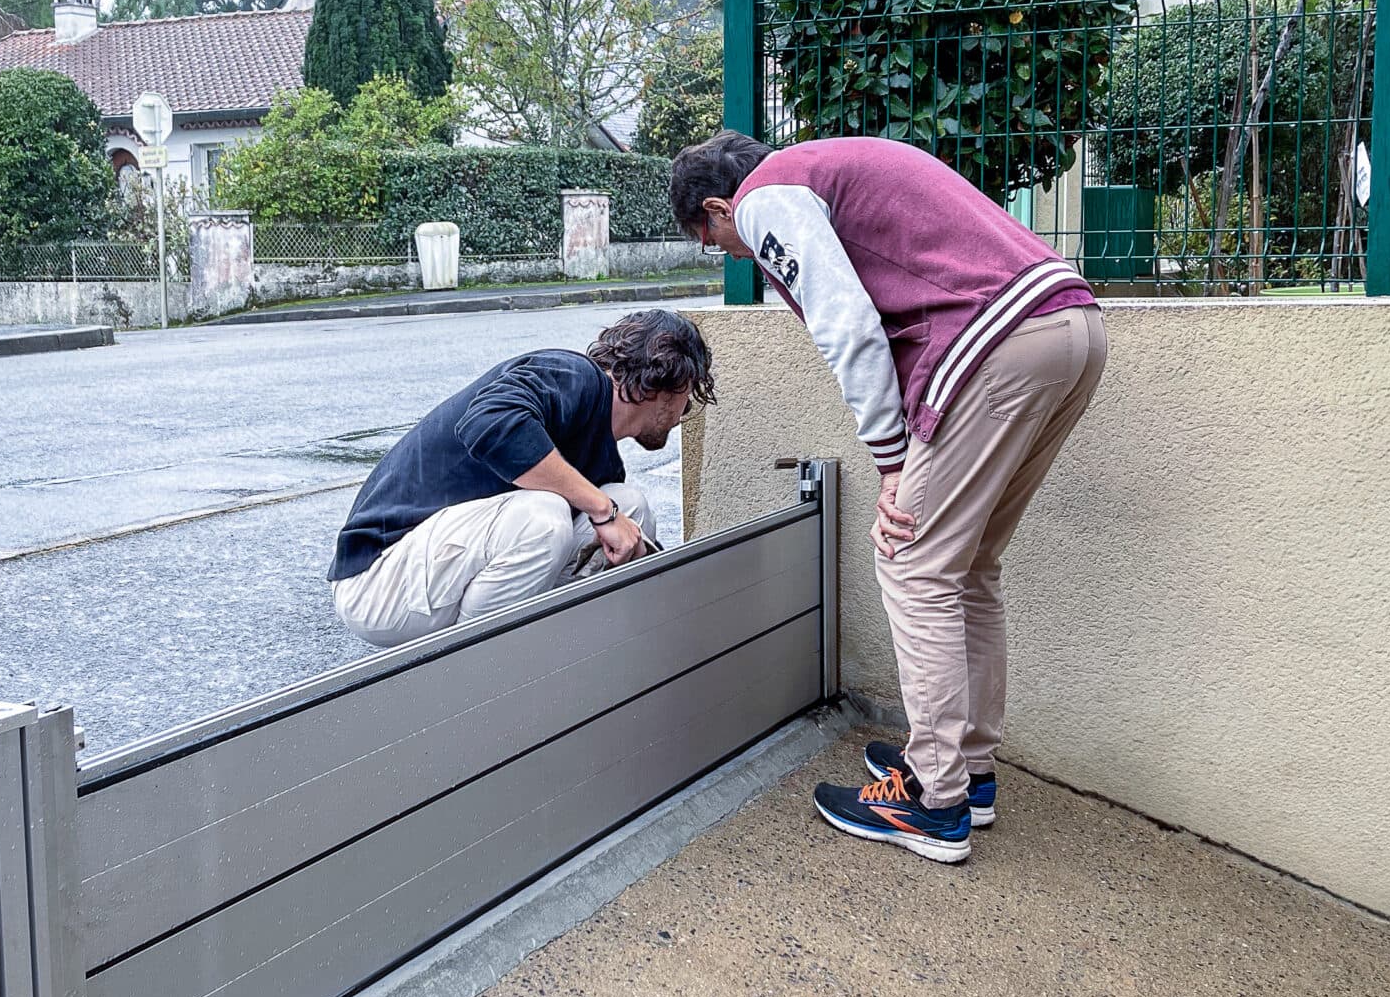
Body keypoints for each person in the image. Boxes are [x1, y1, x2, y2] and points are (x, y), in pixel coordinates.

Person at [670, 129, 1105, 865]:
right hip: (1071, 327)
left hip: (997, 343)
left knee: (912, 562)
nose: (730, 251)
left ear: (718, 205)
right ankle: (968, 772)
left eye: (713, 239)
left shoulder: (766, 197)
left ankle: (935, 804)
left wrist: (893, 460)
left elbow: (848, 325)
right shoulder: (835, 165)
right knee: (967, 567)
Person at [329, 310, 714, 648]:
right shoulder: (573, 375)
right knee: (547, 515)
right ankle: (476, 675)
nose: (684, 412)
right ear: (670, 385)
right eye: (688, 397)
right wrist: (601, 512)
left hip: (434, 583)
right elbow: (488, 422)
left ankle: (565, 661)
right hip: (379, 579)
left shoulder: (600, 459)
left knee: (629, 507)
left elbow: (616, 518)